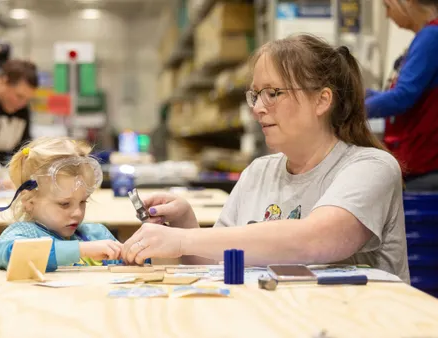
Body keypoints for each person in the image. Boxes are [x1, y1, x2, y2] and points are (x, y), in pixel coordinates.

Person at [121, 34, 410, 283]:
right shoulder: (258, 172)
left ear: (322, 100)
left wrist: (183, 240)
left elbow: (314, 240)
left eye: (273, 93)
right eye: (256, 95)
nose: (258, 107)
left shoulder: (371, 167)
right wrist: (186, 224)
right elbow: (218, 264)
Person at [0, 137, 123, 272]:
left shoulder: (96, 235)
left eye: (83, 201)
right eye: (64, 204)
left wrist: (138, 252)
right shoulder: (23, 234)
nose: (78, 212)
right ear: (29, 202)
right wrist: (80, 250)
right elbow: (12, 255)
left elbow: (130, 264)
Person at [365, 0, 438, 190]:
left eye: (388, 7)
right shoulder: (428, 36)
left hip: (425, 163)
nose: (388, 15)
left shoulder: (431, 36)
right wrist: (364, 94)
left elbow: (402, 97)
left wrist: (353, 108)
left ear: (407, 3)